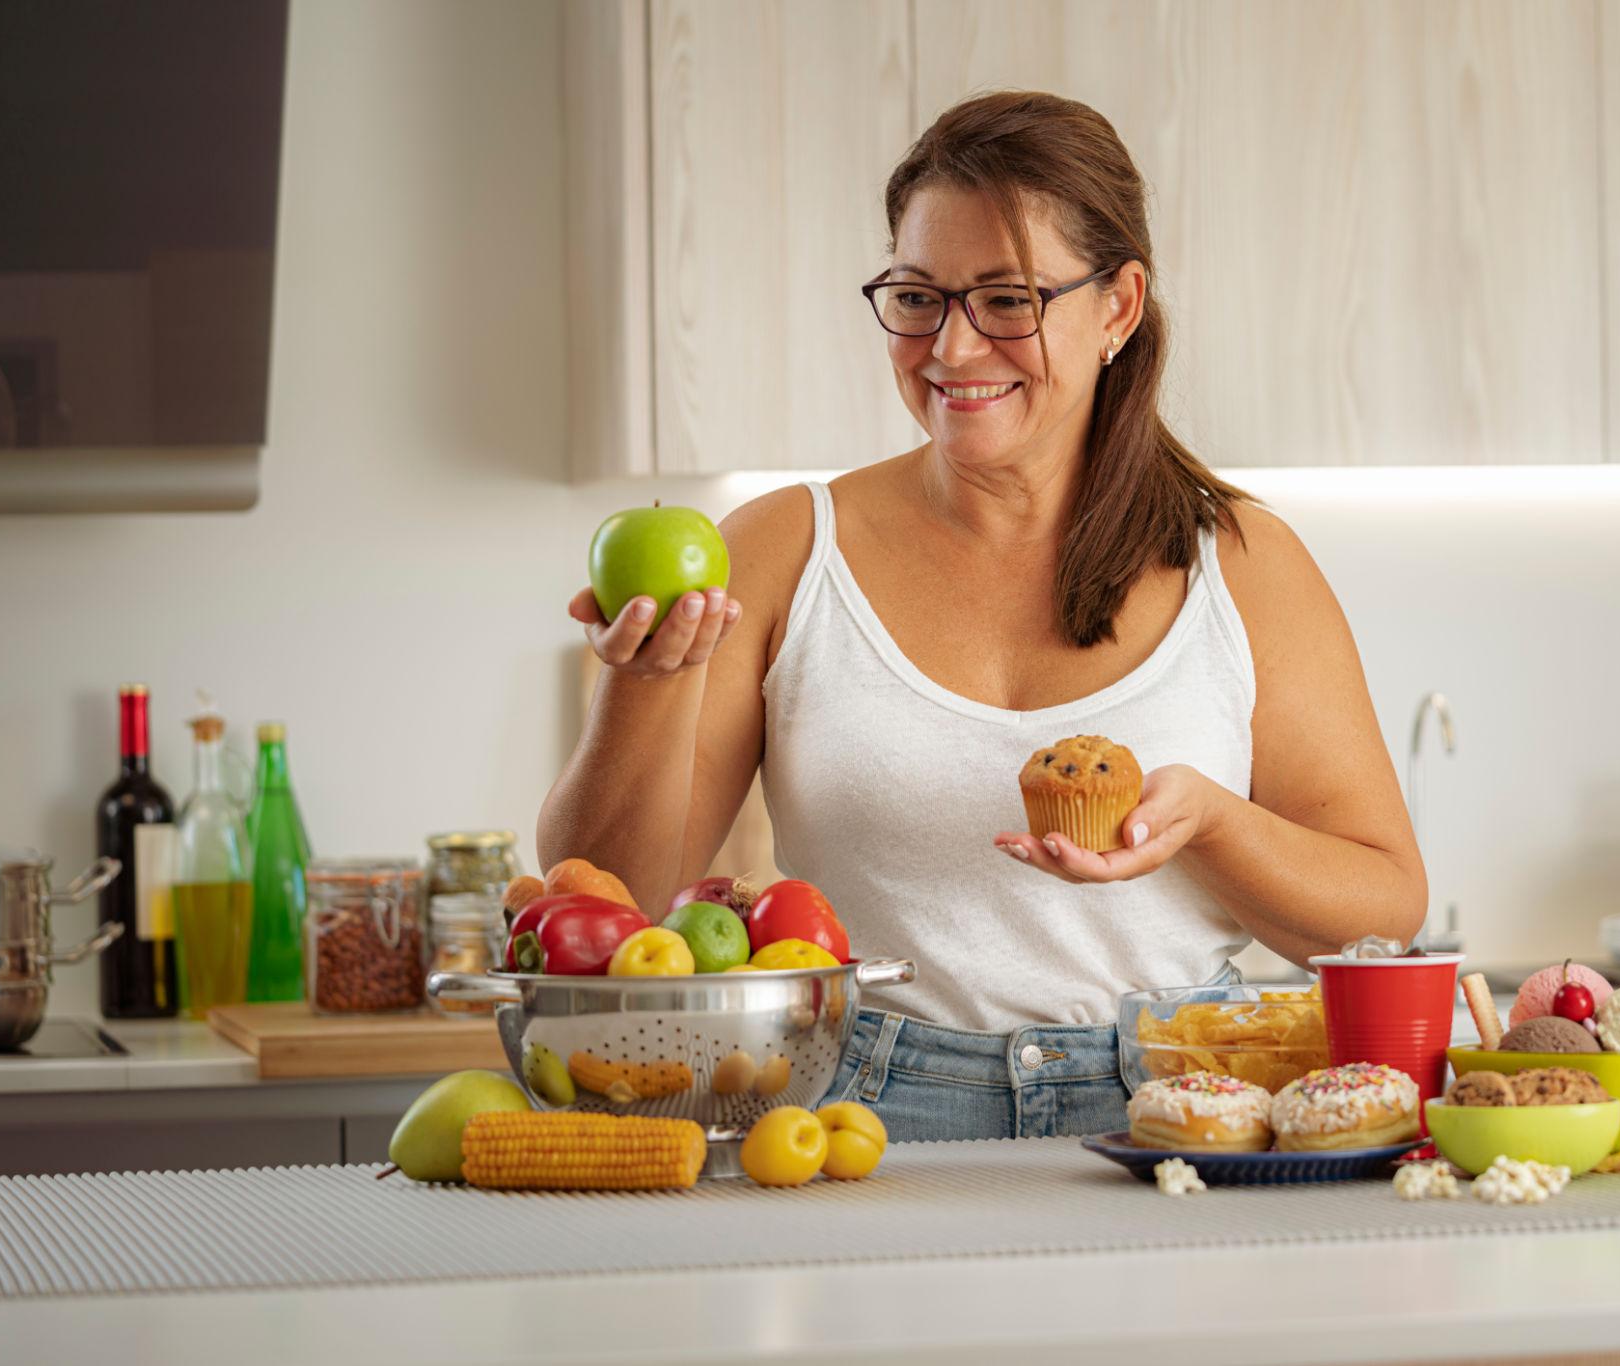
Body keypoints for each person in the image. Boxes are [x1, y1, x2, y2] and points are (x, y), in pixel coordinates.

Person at [540, 90, 1426, 1142]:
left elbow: (1384, 904)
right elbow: (611, 906)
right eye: (916, 297)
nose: (952, 350)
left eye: (1007, 300)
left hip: (1176, 1113)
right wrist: (644, 686)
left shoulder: (1237, 562)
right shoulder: (784, 548)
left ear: (1118, 306)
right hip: (855, 1117)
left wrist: (1215, 825)